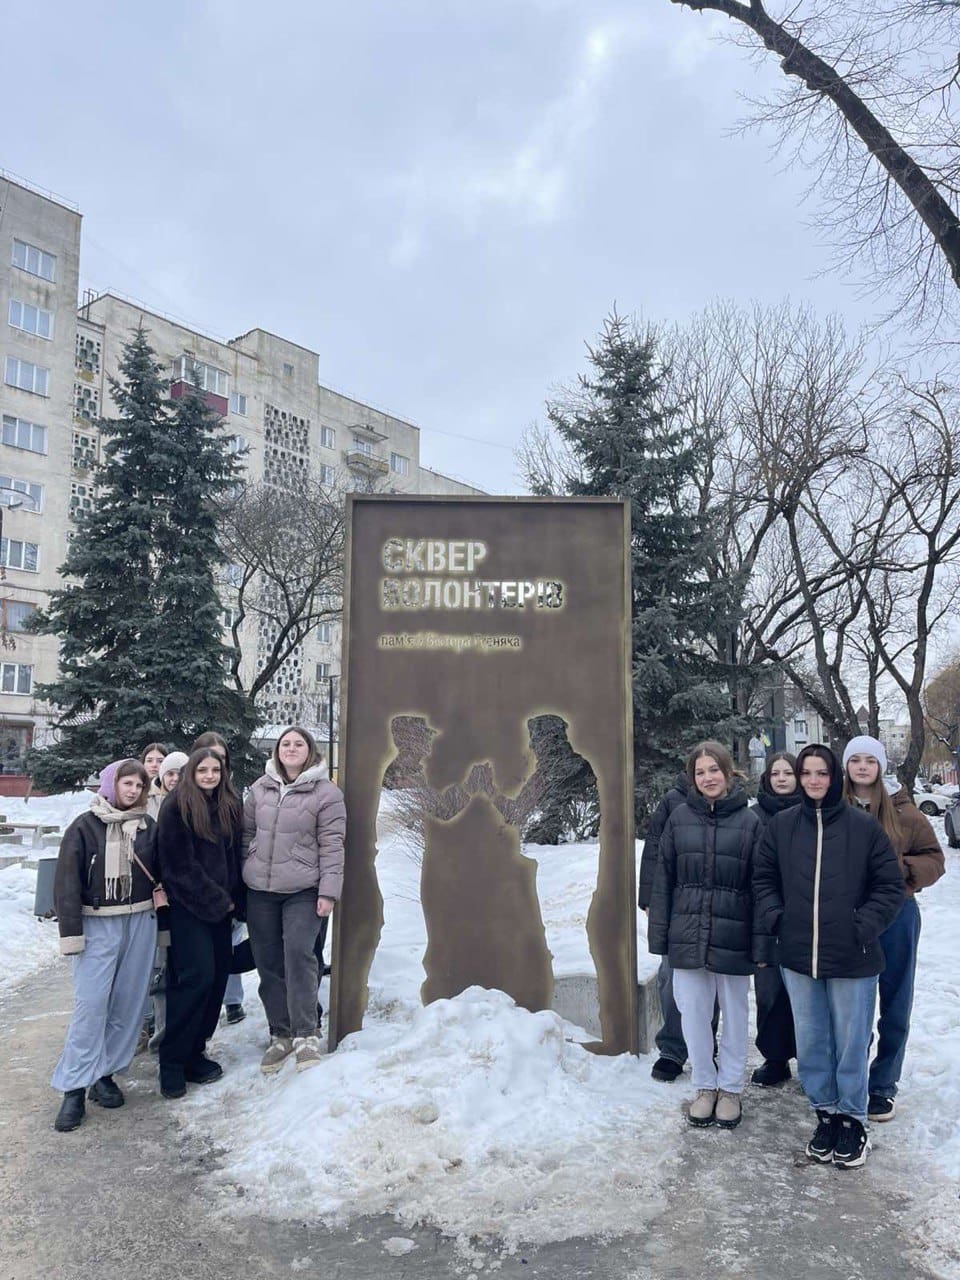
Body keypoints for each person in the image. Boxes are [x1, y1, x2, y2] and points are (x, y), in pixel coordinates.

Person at [754, 744, 905, 1168]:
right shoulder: (783, 826)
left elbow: (889, 886)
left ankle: (853, 1120)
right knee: (812, 1042)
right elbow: (763, 879)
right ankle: (826, 1114)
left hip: (853, 958)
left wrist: (862, 927)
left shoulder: (862, 827)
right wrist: (778, 919)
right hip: (799, 957)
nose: (814, 780)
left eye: (822, 773)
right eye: (807, 773)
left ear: (835, 776)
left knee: (850, 1043)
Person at [648, 741, 765, 1130]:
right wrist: (660, 937)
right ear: (692, 778)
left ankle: (729, 1089)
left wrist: (761, 940)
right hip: (688, 932)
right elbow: (663, 881)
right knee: (693, 1013)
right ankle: (704, 1086)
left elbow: (760, 886)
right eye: (700, 772)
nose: (708, 778)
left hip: (734, 933)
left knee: (734, 1014)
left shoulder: (750, 822)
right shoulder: (679, 819)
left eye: (714, 769)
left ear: (728, 773)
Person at [842, 736, 945, 1122]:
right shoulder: (836, 806)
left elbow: (934, 859)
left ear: (881, 766)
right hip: (850, 916)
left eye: (870, 760)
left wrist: (899, 870)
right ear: (847, 766)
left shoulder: (905, 812)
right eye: (856, 760)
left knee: (896, 999)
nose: (863, 767)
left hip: (897, 914)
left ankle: (884, 1084)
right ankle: (851, 1077)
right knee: (853, 1004)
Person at [51, 759, 157, 1132]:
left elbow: (164, 873)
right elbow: (66, 882)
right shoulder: (85, 826)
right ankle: (74, 1087)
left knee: (128, 1005)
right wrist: (71, 933)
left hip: (140, 921)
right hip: (97, 923)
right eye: (127, 783)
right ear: (111, 784)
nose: (133, 791)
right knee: (91, 1005)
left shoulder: (147, 826)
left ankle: (105, 1075)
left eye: (139, 785)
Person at [243, 725, 345, 1073]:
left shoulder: (326, 793)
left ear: (310, 750)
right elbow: (246, 834)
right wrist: (247, 867)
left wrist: (328, 892)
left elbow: (332, 845)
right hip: (261, 892)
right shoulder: (260, 788)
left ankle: (306, 1034)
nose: (290, 748)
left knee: (300, 954)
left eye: (298, 744)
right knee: (268, 962)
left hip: (303, 890)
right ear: (277, 751)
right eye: (285, 743)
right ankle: (281, 1033)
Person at [156, 747, 242, 1099]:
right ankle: (172, 1061)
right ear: (191, 772)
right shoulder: (176, 807)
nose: (209, 776)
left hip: (221, 911)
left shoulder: (226, 806)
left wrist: (235, 901)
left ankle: (196, 1051)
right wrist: (217, 900)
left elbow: (233, 859)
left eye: (215, 770)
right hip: (189, 909)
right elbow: (178, 866)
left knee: (218, 978)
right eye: (202, 770)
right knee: (196, 979)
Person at [638, 770, 693, 1082]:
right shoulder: (673, 801)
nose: (707, 776)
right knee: (670, 976)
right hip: (674, 904)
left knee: (710, 982)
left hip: (714, 905)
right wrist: (648, 898)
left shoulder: (728, 803)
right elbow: (653, 850)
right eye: (700, 769)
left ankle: (705, 1043)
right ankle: (672, 1048)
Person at [751, 752, 801, 1088]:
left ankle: (811, 1058)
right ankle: (775, 1059)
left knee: (806, 995)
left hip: (803, 917)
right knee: (769, 992)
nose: (781, 779)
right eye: (775, 774)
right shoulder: (753, 817)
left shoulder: (812, 811)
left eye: (788, 773)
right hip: (764, 917)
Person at [192, 732, 247, 1024]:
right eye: (207, 759)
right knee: (198, 970)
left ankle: (230, 1002)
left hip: (228, 898)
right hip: (193, 901)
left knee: (228, 954)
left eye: (222, 759)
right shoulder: (182, 801)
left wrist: (236, 897)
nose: (215, 766)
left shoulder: (232, 800)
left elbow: (239, 849)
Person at [146, 749, 189, 820]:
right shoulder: (147, 801)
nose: (175, 778)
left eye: (180, 774)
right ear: (162, 777)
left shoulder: (196, 801)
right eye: (170, 774)